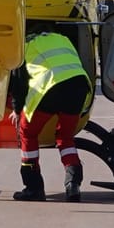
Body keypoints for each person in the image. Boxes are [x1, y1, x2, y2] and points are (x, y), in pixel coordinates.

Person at [9, 29, 93, 202]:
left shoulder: (23, 46)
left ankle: (33, 187)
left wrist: (17, 111)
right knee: (65, 136)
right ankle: (73, 183)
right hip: (79, 85)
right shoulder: (62, 37)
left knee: (27, 133)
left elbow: (18, 83)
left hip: (50, 87)